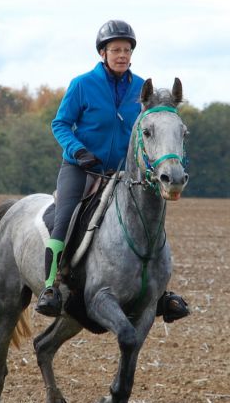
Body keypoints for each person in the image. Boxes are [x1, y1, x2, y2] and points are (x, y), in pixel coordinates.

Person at [35, 19, 189, 322]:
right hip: (82, 167)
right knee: (64, 217)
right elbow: (60, 124)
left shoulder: (140, 88)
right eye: (115, 49)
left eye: (127, 50)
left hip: (125, 173)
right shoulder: (82, 84)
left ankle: (160, 293)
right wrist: (77, 150)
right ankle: (51, 287)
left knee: (149, 222)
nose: (122, 54)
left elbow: (152, 130)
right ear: (103, 53)